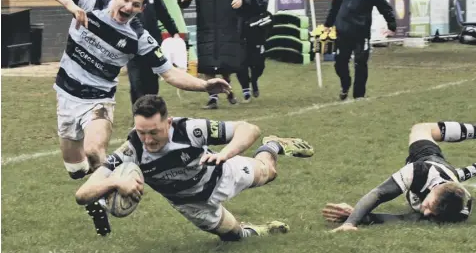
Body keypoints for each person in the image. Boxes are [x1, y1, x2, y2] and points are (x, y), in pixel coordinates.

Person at [38, 0, 231, 181]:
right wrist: (71, 6)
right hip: (66, 94)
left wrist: (205, 85)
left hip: (97, 100)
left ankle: (115, 189)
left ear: (142, 9)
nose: (129, 7)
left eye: (136, 5)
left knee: (94, 151)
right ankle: (100, 183)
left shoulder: (139, 37)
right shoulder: (90, 3)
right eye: (126, 0)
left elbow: (169, 73)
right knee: (76, 171)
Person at [75, 95, 314, 237]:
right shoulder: (131, 151)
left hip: (221, 173)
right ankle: (262, 230)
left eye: (154, 132)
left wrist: (225, 153)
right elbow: (82, 194)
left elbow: (249, 128)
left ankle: (273, 145)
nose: (148, 140)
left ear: (168, 123)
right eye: (141, 132)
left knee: (269, 172)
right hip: (189, 203)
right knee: (234, 237)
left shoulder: (189, 129)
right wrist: (116, 181)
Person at [322, 121, 476, 232]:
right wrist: (351, 222)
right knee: (421, 128)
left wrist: (361, 216)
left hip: (448, 175)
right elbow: (379, 193)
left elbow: (404, 219)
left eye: (432, 213)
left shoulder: (458, 213)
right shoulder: (418, 171)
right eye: (430, 206)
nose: (425, 213)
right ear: (434, 190)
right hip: (427, 157)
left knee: (454, 175)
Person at [178, 0, 253, 109]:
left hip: (227, 29)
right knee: (208, 65)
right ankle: (213, 98)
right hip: (206, 29)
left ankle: (229, 92)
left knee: (225, 66)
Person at [324, 0, 396, 101]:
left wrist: (392, 25)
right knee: (340, 63)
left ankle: (359, 95)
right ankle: (345, 84)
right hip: (342, 32)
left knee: (360, 63)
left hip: (361, 33)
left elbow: (385, 7)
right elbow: (335, 6)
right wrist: (327, 24)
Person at [121, 0, 181, 110]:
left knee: (152, 83)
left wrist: (175, 32)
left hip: (153, 45)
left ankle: (151, 112)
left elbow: (165, 16)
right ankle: (138, 115)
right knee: (136, 83)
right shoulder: (121, 0)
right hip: (132, 48)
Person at [236, 0, 270, 102]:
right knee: (241, 63)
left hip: (257, 32)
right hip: (242, 31)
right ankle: (246, 90)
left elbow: (262, 9)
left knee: (259, 64)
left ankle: (254, 80)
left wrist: (249, 1)